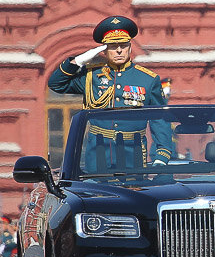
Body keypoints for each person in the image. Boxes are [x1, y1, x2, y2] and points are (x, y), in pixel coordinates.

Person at [48, 15, 174, 169]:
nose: (119, 50)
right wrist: (77, 62)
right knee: (97, 192)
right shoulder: (91, 76)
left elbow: (159, 119)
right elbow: (56, 84)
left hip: (133, 155)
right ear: (105, 50)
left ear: (129, 47)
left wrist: (162, 154)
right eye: (113, 46)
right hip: (98, 153)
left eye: (123, 45)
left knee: (132, 192)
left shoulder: (147, 79)